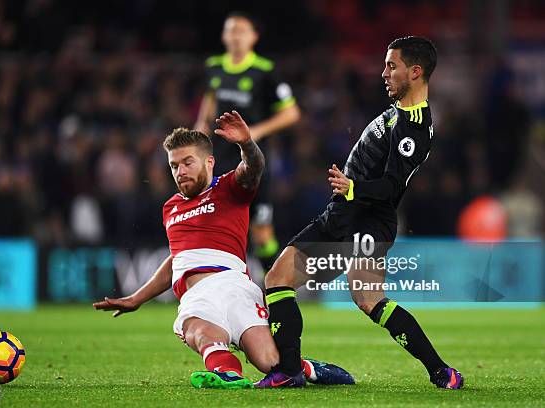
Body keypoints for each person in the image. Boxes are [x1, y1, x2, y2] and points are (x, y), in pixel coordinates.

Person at [257, 36, 464, 390]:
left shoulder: (413, 127)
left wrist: (353, 188)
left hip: (370, 220)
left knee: (368, 298)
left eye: (391, 66)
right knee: (277, 279)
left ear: (415, 72)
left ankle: (442, 371)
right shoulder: (399, 111)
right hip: (343, 213)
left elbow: (392, 186)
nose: (383, 73)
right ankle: (289, 370)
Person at [94, 111, 353, 389]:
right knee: (200, 330)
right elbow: (177, 259)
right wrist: (137, 298)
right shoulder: (170, 207)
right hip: (196, 295)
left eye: (187, 162)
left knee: (271, 363)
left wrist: (247, 145)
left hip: (235, 287)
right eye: (174, 166)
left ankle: (306, 367)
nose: (180, 172)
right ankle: (228, 375)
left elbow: (253, 168)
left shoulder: (229, 187)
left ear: (209, 161)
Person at [194, 11, 301, 272]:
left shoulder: (264, 71)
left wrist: (258, 131)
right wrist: (200, 128)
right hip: (219, 159)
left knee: (262, 231)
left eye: (241, 31)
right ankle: (221, 286)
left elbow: (291, 113)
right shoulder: (214, 67)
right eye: (231, 30)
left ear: (253, 37)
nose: (235, 36)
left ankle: (276, 285)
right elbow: (210, 101)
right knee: (218, 224)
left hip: (253, 162)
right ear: (223, 36)